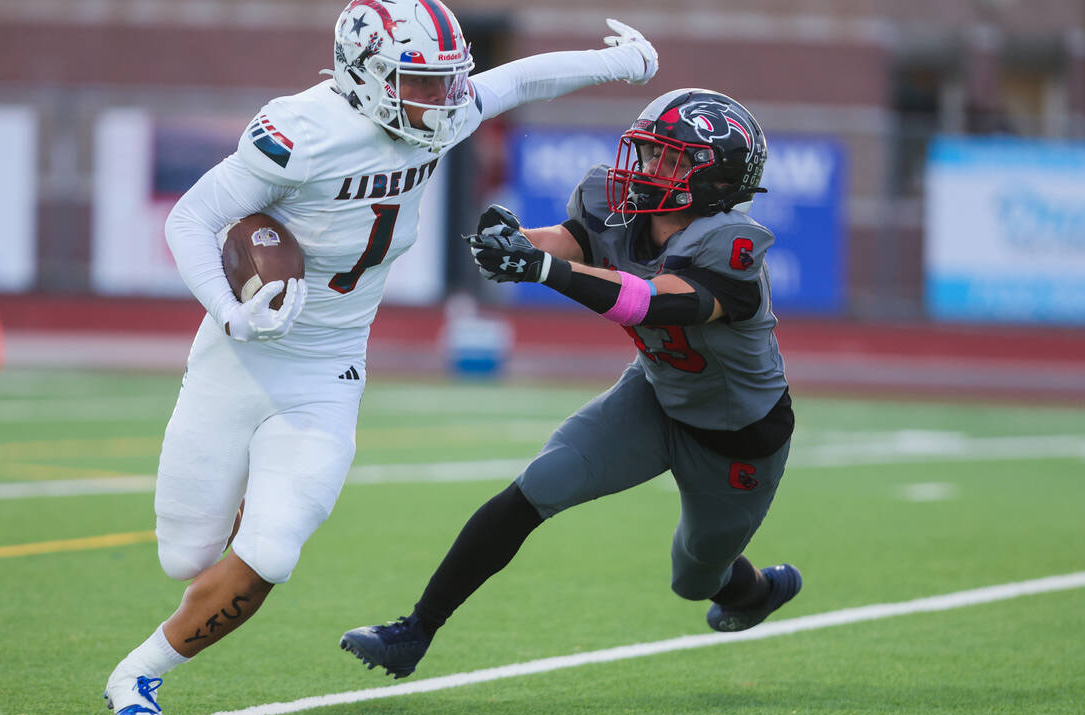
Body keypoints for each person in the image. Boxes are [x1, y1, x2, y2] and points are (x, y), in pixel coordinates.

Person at [102, 0, 658, 715]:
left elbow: (521, 78)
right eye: (421, 81)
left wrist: (618, 62)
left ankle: (139, 675)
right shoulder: (301, 131)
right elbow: (193, 219)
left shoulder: (442, 106)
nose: (441, 99)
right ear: (362, 71)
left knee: (272, 552)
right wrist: (231, 312)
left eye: (447, 78)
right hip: (238, 357)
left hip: (329, 367)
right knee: (184, 554)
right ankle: (232, 507)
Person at [340, 88, 801, 680]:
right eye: (649, 153)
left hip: (737, 438)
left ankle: (756, 591)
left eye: (670, 160)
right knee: (538, 485)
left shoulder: (732, 250)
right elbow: (572, 242)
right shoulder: (621, 208)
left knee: (695, 576)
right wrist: (517, 244)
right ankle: (414, 631)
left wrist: (544, 271)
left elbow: (648, 305)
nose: (646, 168)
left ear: (714, 181)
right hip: (656, 396)